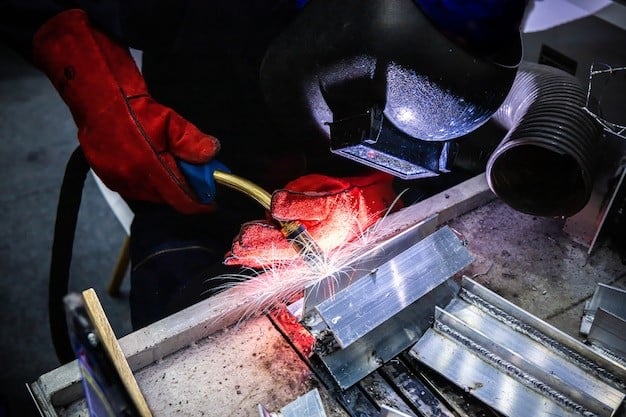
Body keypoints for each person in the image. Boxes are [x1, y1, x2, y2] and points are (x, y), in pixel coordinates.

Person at [1, 0, 527, 336]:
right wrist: (94, 85)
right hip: (205, 157)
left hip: (344, 162)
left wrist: (376, 170)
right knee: (194, 329)